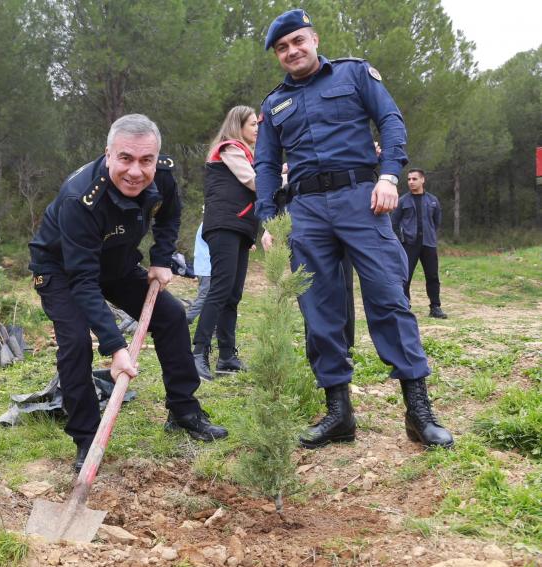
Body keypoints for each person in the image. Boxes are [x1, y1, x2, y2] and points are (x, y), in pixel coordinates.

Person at [255, 9, 453, 449]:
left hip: (362, 197)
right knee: (319, 310)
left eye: (298, 42)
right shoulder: (273, 105)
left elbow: (391, 121)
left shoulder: (355, 74)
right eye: (282, 48)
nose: (292, 51)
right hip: (305, 209)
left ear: (314, 39)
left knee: (388, 296)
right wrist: (269, 221)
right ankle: (339, 415)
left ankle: (419, 413)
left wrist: (388, 176)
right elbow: (266, 164)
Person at [29, 114, 228, 472]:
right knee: (75, 343)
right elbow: (84, 281)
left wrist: (162, 259)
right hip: (62, 269)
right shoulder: (80, 198)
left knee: (169, 316)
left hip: (116, 263)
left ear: (156, 157)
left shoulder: (162, 175)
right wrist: (116, 348)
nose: (136, 171)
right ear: (108, 154)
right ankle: (87, 438)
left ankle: (183, 411)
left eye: (145, 160)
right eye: (125, 158)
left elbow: (170, 215)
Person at [192, 106, 259, 380]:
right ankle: (197, 352)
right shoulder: (230, 148)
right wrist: (288, 179)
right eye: (253, 124)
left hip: (240, 226)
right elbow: (253, 181)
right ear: (238, 125)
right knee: (219, 289)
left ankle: (227, 357)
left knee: (232, 293)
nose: (257, 128)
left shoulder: (244, 153)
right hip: (224, 225)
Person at [392, 169, 447, 318]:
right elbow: (394, 223)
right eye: (409, 179)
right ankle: (404, 306)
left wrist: (430, 234)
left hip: (428, 244)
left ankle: (435, 307)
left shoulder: (433, 200)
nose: (411, 182)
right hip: (408, 244)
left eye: (414, 179)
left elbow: (436, 222)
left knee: (432, 276)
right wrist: (401, 240)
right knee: (405, 277)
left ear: (422, 180)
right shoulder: (402, 201)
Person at [185, 220, 210, 324]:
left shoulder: (207, 223)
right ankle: (184, 320)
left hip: (206, 267)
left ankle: (215, 326)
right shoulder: (209, 224)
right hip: (207, 268)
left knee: (212, 297)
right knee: (204, 297)